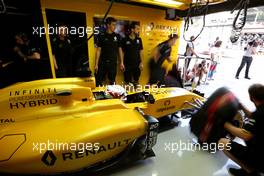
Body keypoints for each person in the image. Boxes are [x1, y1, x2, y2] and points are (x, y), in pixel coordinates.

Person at [218, 84, 264, 176]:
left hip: (260, 158)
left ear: (251, 98)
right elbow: (256, 118)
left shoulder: (259, 114)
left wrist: (224, 124)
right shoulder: (261, 110)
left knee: (222, 142)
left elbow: (245, 135)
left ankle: (249, 172)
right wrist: (242, 107)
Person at [94, 17, 124, 86]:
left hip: (113, 63)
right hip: (102, 62)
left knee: (112, 81)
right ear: (108, 25)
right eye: (113, 24)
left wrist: (122, 62)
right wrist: (96, 64)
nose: (115, 26)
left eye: (115, 25)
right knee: (100, 81)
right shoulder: (102, 36)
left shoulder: (117, 36)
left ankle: (113, 95)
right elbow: (98, 50)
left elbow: (120, 49)